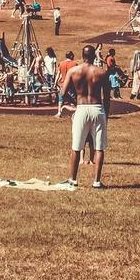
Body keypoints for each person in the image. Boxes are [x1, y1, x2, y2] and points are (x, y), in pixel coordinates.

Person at [58, 44, 111, 189]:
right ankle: (97, 182)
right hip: (97, 108)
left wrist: (71, 98)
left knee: (76, 146)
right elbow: (107, 96)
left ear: (82, 56)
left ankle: (73, 179)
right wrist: (106, 114)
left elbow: (63, 92)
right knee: (99, 147)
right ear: (94, 56)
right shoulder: (101, 72)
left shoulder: (73, 71)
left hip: (81, 108)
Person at [55, 52, 78, 116]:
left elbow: (58, 74)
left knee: (61, 98)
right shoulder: (74, 64)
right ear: (71, 56)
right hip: (71, 83)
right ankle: (73, 112)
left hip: (62, 83)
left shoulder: (61, 63)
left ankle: (59, 112)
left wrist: (55, 82)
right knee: (73, 98)